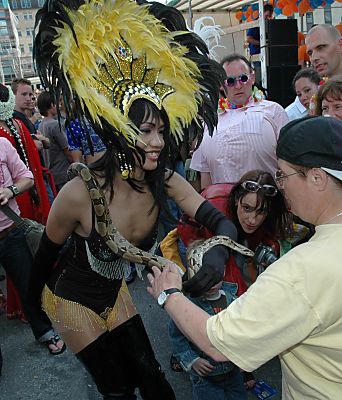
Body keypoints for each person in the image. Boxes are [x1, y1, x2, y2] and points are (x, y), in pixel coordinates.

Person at [30, 0, 233, 398]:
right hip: (70, 299)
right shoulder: (79, 194)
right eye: (145, 131)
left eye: (161, 130)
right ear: (120, 131)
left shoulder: (167, 181)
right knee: (119, 392)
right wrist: (39, 315)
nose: (158, 142)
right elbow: (43, 260)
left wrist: (218, 254)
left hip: (115, 293)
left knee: (156, 383)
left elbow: (221, 221)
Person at [148, 115, 342, 399]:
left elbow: (218, 344)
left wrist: (168, 294)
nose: (282, 186)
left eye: (283, 175)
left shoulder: (302, 270)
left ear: (317, 178)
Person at [0, 136, 65, 355]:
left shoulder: (2, 144)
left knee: (28, 285)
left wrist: (10, 191)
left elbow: (26, 178)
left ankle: (44, 331)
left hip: (10, 232)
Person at [191, 54, 288, 189]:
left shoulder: (274, 111)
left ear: (252, 77)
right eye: (230, 81)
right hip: (221, 205)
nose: (238, 86)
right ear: (221, 85)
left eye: (243, 78)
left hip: (265, 202)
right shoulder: (210, 122)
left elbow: (289, 164)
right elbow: (205, 174)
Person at [0, 83, 51, 321]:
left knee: (22, 258)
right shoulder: (16, 125)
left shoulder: (8, 131)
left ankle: (30, 309)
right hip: (25, 197)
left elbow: (27, 172)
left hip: (15, 202)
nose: (31, 99)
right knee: (27, 256)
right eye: (25, 94)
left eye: (32, 94)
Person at [169, 279, 247, 400]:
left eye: (214, 276)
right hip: (205, 379)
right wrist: (192, 360)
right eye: (204, 276)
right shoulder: (187, 306)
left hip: (233, 373)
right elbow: (177, 338)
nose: (211, 282)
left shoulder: (234, 300)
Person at [37, 91, 73, 191]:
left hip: (52, 175)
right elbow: (67, 150)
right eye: (57, 103)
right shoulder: (55, 125)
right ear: (51, 105)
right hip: (63, 173)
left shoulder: (41, 124)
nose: (59, 105)